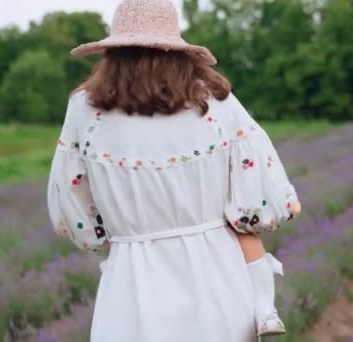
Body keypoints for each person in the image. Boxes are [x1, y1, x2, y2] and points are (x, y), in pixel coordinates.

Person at [46, 0, 300, 340]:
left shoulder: (85, 109)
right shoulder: (215, 102)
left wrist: (118, 230)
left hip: (131, 282)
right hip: (218, 277)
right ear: (178, 52)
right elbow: (261, 197)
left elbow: (72, 205)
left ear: (112, 55)